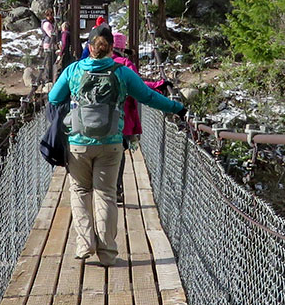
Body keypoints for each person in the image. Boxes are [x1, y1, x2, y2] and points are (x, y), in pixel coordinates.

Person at [49, 23, 185, 267]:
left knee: (80, 192)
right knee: (106, 195)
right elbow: (149, 96)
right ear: (112, 48)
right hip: (111, 143)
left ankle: (84, 244)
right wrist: (177, 108)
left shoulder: (73, 70)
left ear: (89, 48)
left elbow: (54, 98)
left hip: (78, 143)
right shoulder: (122, 72)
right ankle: (108, 253)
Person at [110, 32, 168, 203]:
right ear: (122, 47)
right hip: (122, 119)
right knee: (118, 153)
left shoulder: (95, 63)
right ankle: (116, 189)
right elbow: (138, 87)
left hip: (96, 118)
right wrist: (159, 85)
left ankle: (101, 190)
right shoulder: (125, 64)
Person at [40, 9, 55, 85]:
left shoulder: (46, 23)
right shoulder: (47, 24)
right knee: (48, 63)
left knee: (49, 62)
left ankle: (49, 78)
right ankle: (47, 79)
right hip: (48, 44)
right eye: (50, 15)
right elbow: (51, 34)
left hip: (48, 43)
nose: (51, 16)